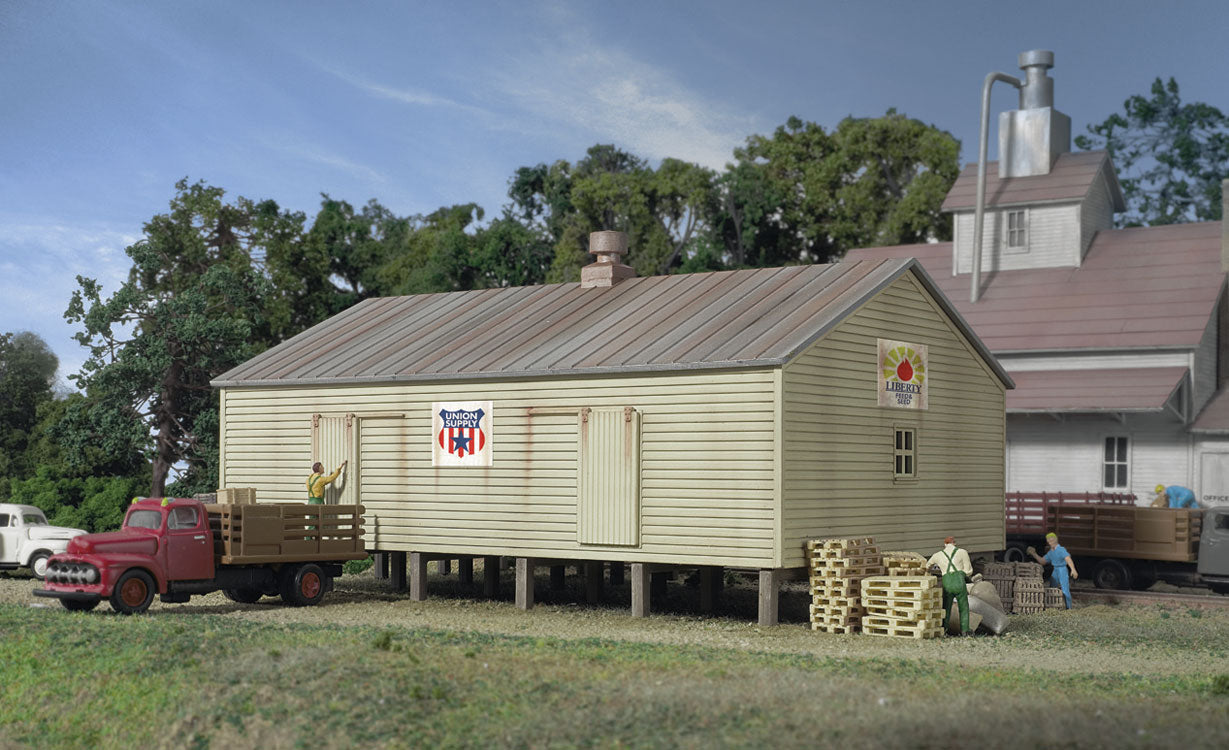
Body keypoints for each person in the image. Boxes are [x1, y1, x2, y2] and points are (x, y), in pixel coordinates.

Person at [926, 536, 972, 636]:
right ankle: (965, 630)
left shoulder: (937, 555)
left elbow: (927, 566)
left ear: (945, 544)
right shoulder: (963, 552)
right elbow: (968, 571)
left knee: (946, 607)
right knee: (963, 607)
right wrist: (962, 575)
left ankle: (944, 630)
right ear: (954, 543)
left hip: (947, 582)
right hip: (959, 582)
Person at [1027, 532, 1078, 609]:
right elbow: (1043, 561)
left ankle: (1069, 608)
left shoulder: (1061, 549)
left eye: (1052, 540)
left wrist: (1073, 569)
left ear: (1055, 540)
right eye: (1049, 540)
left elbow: (1067, 558)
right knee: (1052, 589)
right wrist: (1034, 554)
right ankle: (1052, 607)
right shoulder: (1051, 552)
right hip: (1055, 570)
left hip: (1062, 569)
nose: (1050, 542)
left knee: (1065, 590)